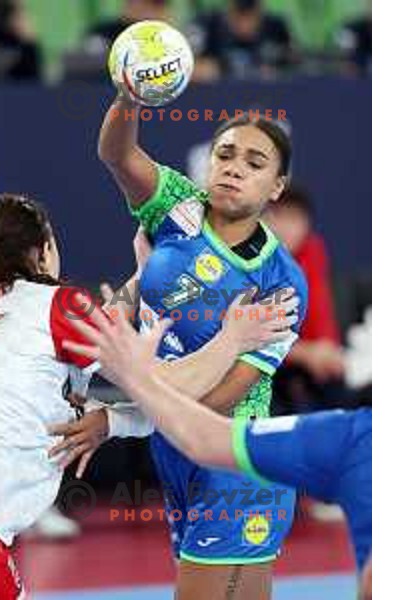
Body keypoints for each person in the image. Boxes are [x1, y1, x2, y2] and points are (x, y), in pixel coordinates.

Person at [0, 194, 296, 599]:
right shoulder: (55, 305)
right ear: (44, 251)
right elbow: (163, 389)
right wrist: (233, 339)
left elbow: (99, 326)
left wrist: (144, 276)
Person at [97, 81, 308, 597]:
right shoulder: (177, 207)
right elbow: (117, 153)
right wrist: (131, 97)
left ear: (277, 187)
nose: (233, 167)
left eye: (255, 163)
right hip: (177, 446)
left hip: (232, 453)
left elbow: (223, 397)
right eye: (225, 155)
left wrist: (122, 412)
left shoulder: (281, 281)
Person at [60, 296, 372, 599]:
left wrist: (117, 416)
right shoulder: (166, 268)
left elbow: (214, 414)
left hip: (234, 479)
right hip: (186, 464)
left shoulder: (270, 283)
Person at [262, 185, 346, 414]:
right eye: (278, 216)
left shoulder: (312, 250)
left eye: (294, 219)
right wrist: (307, 354)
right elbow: (251, 336)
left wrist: (327, 347)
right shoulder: (250, 257)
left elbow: (320, 310)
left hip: (297, 359)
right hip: (258, 362)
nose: (284, 228)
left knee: (338, 388)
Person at [188, 0, 292, 82]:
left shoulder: (276, 28)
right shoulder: (208, 24)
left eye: (250, 17)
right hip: (215, 100)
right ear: (229, 9)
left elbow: (298, 64)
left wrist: (278, 72)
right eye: (239, 17)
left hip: (264, 101)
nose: (244, 25)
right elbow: (183, 67)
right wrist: (201, 68)